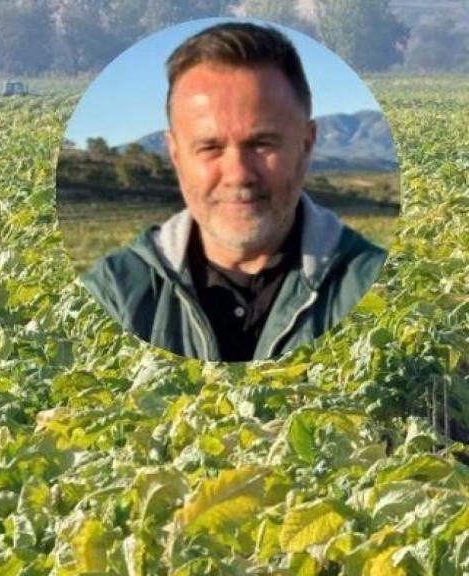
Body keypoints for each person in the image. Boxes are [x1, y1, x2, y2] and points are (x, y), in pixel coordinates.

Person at [82, 22, 387, 362]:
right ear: (176, 154)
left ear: (306, 145)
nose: (238, 174)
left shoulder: (377, 286)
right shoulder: (114, 292)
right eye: (210, 147)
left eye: (261, 144)